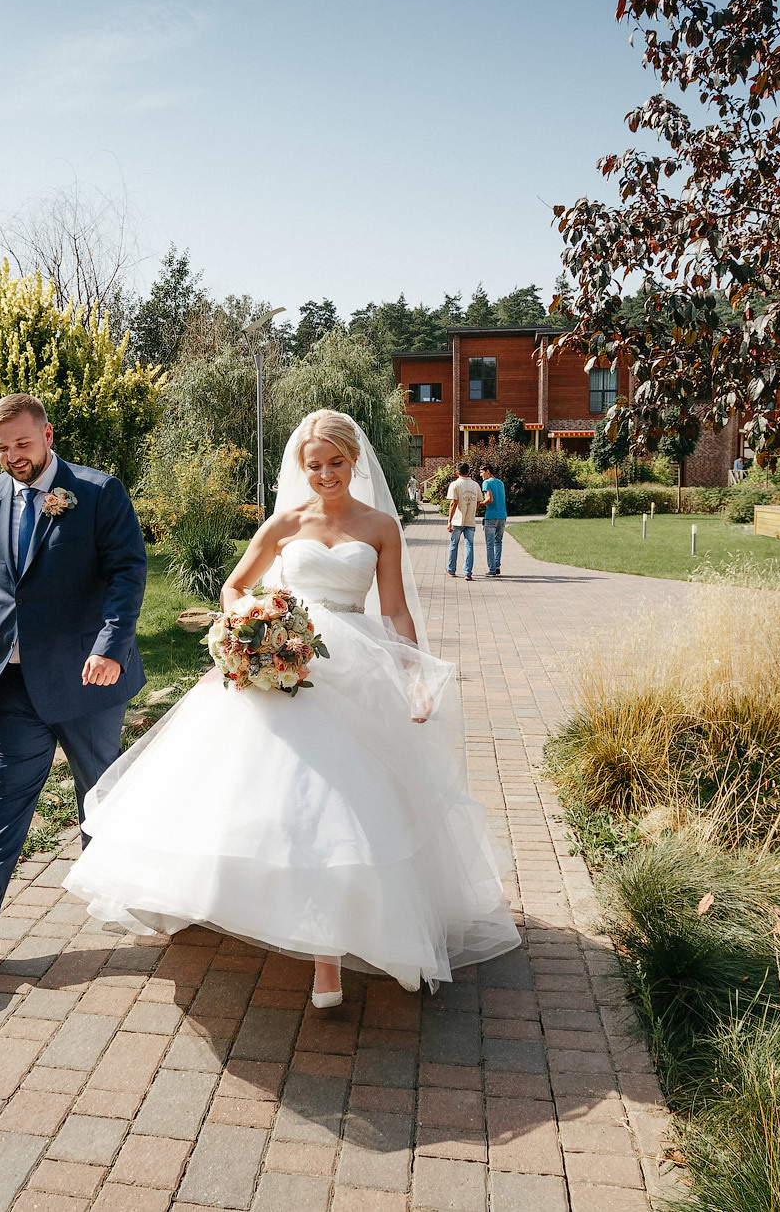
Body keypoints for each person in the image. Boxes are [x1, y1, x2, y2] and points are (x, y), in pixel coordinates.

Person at [65, 410, 519, 1006]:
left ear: (354, 461)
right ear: (301, 469)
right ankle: (263, 915)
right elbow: (234, 586)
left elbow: (396, 610)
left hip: (353, 669)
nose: (326, 474)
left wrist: (413, 675)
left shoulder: (381, 526)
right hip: (283, 666)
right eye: (315, 466)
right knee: (272, 804)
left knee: (347, 812)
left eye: (336, 463)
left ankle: (341, 955)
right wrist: (252, 624)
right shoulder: (284, 523)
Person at [0, 393, 148, 963]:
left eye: (22, 444)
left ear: (48, 435)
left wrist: (110, 647)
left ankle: (120, 890)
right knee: (0, 795)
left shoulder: (99, 493)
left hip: (86, 678)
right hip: (11, 681)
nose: (13, 456)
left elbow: (127, 573)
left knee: (98, 791)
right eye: (2, 448)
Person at [445, 463, 481, 580]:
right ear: (469, 471)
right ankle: (468, 573)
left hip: (457, 520)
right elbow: (478, 502)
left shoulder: (455, 485)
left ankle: (451, 570)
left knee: (453, 545)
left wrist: (449, 521)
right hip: (470, 520)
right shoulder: (475, 485)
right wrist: (472, 510)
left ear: (457, 472)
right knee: (469, 545)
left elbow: (453, 503)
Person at [479, 463, 507, 578]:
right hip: (502, 516)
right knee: (498, 542)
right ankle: (497, 566)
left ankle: (491, 569)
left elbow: (490, 499)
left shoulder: (486, 482)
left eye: (482, 472)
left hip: (491, 516)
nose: (481, 475)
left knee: (490, 544)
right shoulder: (500, 483)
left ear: (488, 471)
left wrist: (479, 504)